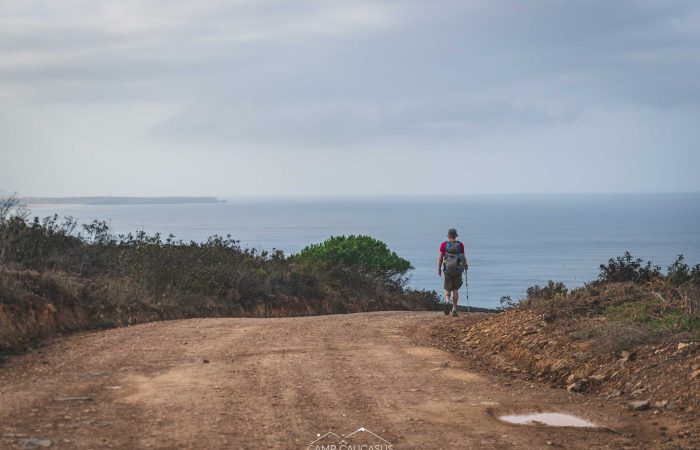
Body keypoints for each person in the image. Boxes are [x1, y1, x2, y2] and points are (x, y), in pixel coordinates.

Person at [438, 228, 468, 316]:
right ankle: (454, 308)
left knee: (447, 289)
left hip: (447, 270)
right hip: (457, 270)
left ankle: (447, 301)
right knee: (455, 290)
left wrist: (439, 268)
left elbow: (440, 258)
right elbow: (463, 257)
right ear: (455, 236)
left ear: (448, 236)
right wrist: (465, 266)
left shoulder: (444, 245)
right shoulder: (460, 245)